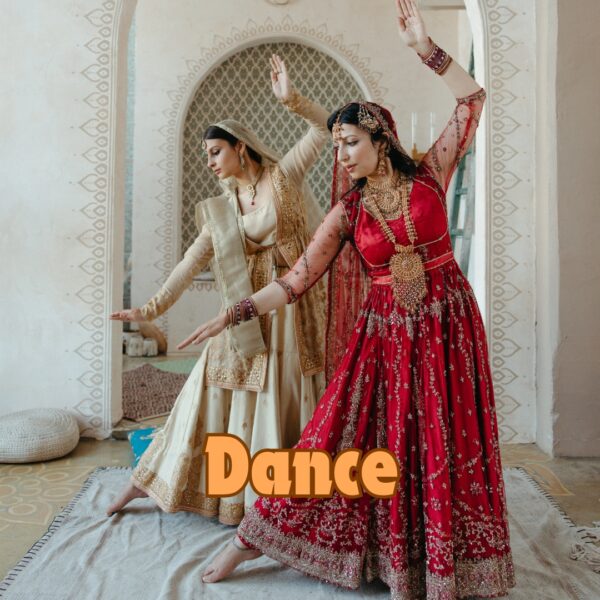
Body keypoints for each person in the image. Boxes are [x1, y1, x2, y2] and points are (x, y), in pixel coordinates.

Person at [188, 2, 515, 597]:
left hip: (448, 326)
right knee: (337, 437)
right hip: (384, 334)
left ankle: (436, 565)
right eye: (336, 145)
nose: (341, 155)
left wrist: (427, 48)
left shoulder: (430, 173)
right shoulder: (348, 210)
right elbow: (295, 281)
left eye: (351, 142)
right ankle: (250, 540)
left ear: (381, 139)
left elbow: (471, 104)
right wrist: (233, 312)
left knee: (444, 438)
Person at [108, 54, 329, 526]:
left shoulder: (283, 177)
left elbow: (323, 133)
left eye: (215, 152)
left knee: (279, 397)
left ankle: (272, 503)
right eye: (207, 154)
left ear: (240, 148)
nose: (209, 161)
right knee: (202, 394)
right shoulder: (220, 209)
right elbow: (191, 262)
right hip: (241, 312)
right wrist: (149, 308)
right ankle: (147, 482)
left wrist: (292, 100)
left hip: (290, 307)